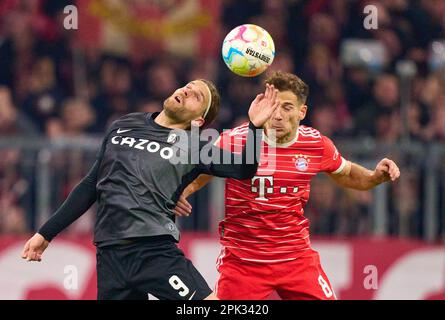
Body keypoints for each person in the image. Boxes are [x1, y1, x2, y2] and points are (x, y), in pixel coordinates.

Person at [21, 79, 280, 300]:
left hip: (153, 251)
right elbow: (91, 185)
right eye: (187, 87)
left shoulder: (193, 145)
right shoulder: (124, 124)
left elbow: (244, 169)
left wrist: (255, 128)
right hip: (110, 255)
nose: (187, 91)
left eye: (197, 96)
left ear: (199, 120)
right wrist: (46, 233)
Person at [174, 71, 401, 300]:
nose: (278, 116)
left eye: (287, 107)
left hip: (296, 259)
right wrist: (182, 192)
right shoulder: (234, 140)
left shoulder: (316, 144)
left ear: (302, 112)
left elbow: (347, 173)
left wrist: (374, 176)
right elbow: (199, 174)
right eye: (273, 106)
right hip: (244, 262)